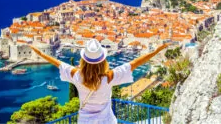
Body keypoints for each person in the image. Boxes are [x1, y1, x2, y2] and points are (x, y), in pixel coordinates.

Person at [30, 39, 169, 124]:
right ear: (102, 61)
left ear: (83, 60)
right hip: (106, 121)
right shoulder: (109, 78)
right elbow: (134, 63)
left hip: (85, 121)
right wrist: (155, 51)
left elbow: (58, 63)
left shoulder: (77, 76)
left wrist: (40, 53)